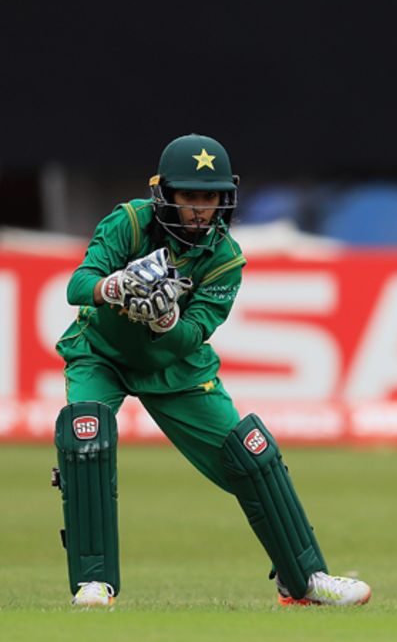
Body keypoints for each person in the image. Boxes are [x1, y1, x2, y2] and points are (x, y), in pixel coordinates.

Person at [53, 133, 371, 608]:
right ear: (165, 194)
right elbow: (79, 285)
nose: (201, 210)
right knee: (87, 437)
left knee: (252, 454)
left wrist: (165, 319)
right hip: (102, 352)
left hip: (176, 367)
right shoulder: (131, 222)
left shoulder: (225, 259)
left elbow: (194, 333)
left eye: (211, 198)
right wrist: (115, 287)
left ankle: (304, 579)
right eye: (190, 197)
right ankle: (93, 583)